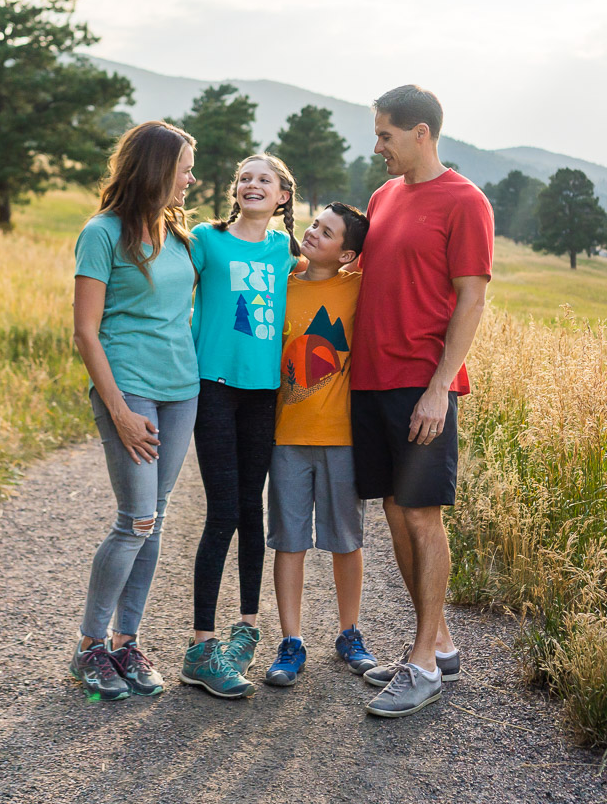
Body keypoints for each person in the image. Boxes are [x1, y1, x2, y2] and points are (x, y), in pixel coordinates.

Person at [350, 85, 493, 718]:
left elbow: (472, 299)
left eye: (385, 135)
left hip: (420, 383)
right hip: (370, 380)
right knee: (394, 508)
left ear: (421, 133)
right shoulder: (383, 197)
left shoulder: (465, 201)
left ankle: (424, 666)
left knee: (422, 516)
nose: (378, 146)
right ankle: (437, 644)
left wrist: (440, 387)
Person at [68, 121, 199, 701]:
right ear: (156, 170)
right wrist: (118, 409)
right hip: (130, 389)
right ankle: (89, 646)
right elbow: (85, 331)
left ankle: (126, 642)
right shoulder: (101, 234)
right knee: (136, 520)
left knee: (157, 517)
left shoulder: (180, 234)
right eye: (184, 170)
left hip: (182, 389)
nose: (190, 180)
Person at [181, 154, 303, 698]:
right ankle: (201, 648)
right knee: (223, 511)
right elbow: (167, 286)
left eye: (264, 179)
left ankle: (247, 630)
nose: (252, 184)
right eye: (245, 178)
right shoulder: (205, 241)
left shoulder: (285, 252)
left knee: (252, 510)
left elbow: (331, 272)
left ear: (282, 197)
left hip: (264, 394)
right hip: (214, 388)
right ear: (236, 190)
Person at [263, 203, 376, 687]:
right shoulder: (283, 284)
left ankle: (349, 633)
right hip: (286, 437)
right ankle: (291, 641)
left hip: (341, 439)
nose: (312, 233)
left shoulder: (359, 286)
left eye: (327, 233)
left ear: (347, 254)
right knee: (288, 541)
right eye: (314, 224)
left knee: (346, 541)